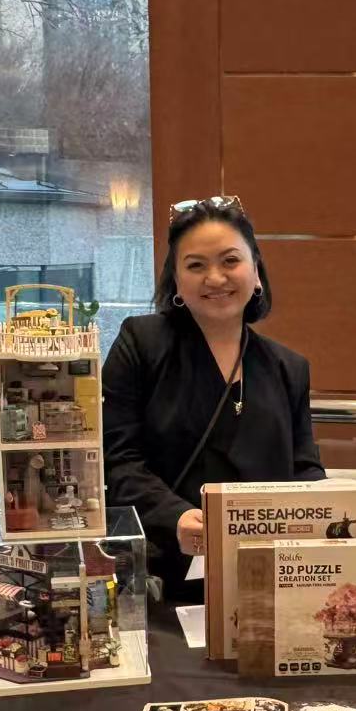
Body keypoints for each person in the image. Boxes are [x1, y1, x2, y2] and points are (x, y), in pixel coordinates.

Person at [104, 195, 324, 598]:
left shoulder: (289, 368)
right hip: (163, 579)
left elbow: (306, 472)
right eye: (196, 265)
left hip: (269, 581)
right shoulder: (142, 343)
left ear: (255, 271)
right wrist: (176, 517)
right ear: (176, 279)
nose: (215, 278)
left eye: (229, 261)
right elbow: (117, 463)